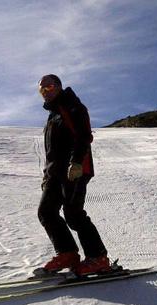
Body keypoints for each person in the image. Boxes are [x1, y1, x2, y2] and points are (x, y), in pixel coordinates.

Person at [36, 74, 113, 276]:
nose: (46, 91)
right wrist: (47, 176)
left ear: (59, 87)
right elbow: (51, 152)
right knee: (46, 212)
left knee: (73, 214)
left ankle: (98, 258)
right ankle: (67, 253)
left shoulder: (72, 106)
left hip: (75, 170)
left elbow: (83, 135)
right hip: (55, 174)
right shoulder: (52, 115)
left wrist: (77, 162)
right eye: (42, 89)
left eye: (49, 86)